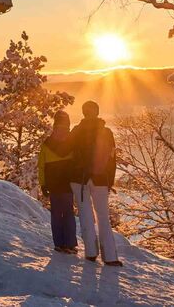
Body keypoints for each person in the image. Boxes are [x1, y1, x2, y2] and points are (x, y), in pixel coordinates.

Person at [51, 100, 121, 267]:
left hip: (78, 179)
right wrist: (109, 180)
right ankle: (110, 256)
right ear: (97, 112)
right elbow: (112, 159)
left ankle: (90, 253)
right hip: (101, 179)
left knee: (85, 216)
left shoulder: (76, 131)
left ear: (83, 113)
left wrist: (53, 139)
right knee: (103, 217)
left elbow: (63, 152)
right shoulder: (107, 132)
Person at [37, 111, 77, 254]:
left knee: (56, 214)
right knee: (68, 213)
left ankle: (59, 244)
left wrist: (43, 184)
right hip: (68, 184)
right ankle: (70, 244)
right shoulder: (73, 142)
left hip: (53, 184)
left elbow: (41, 166)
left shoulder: (47, 143)